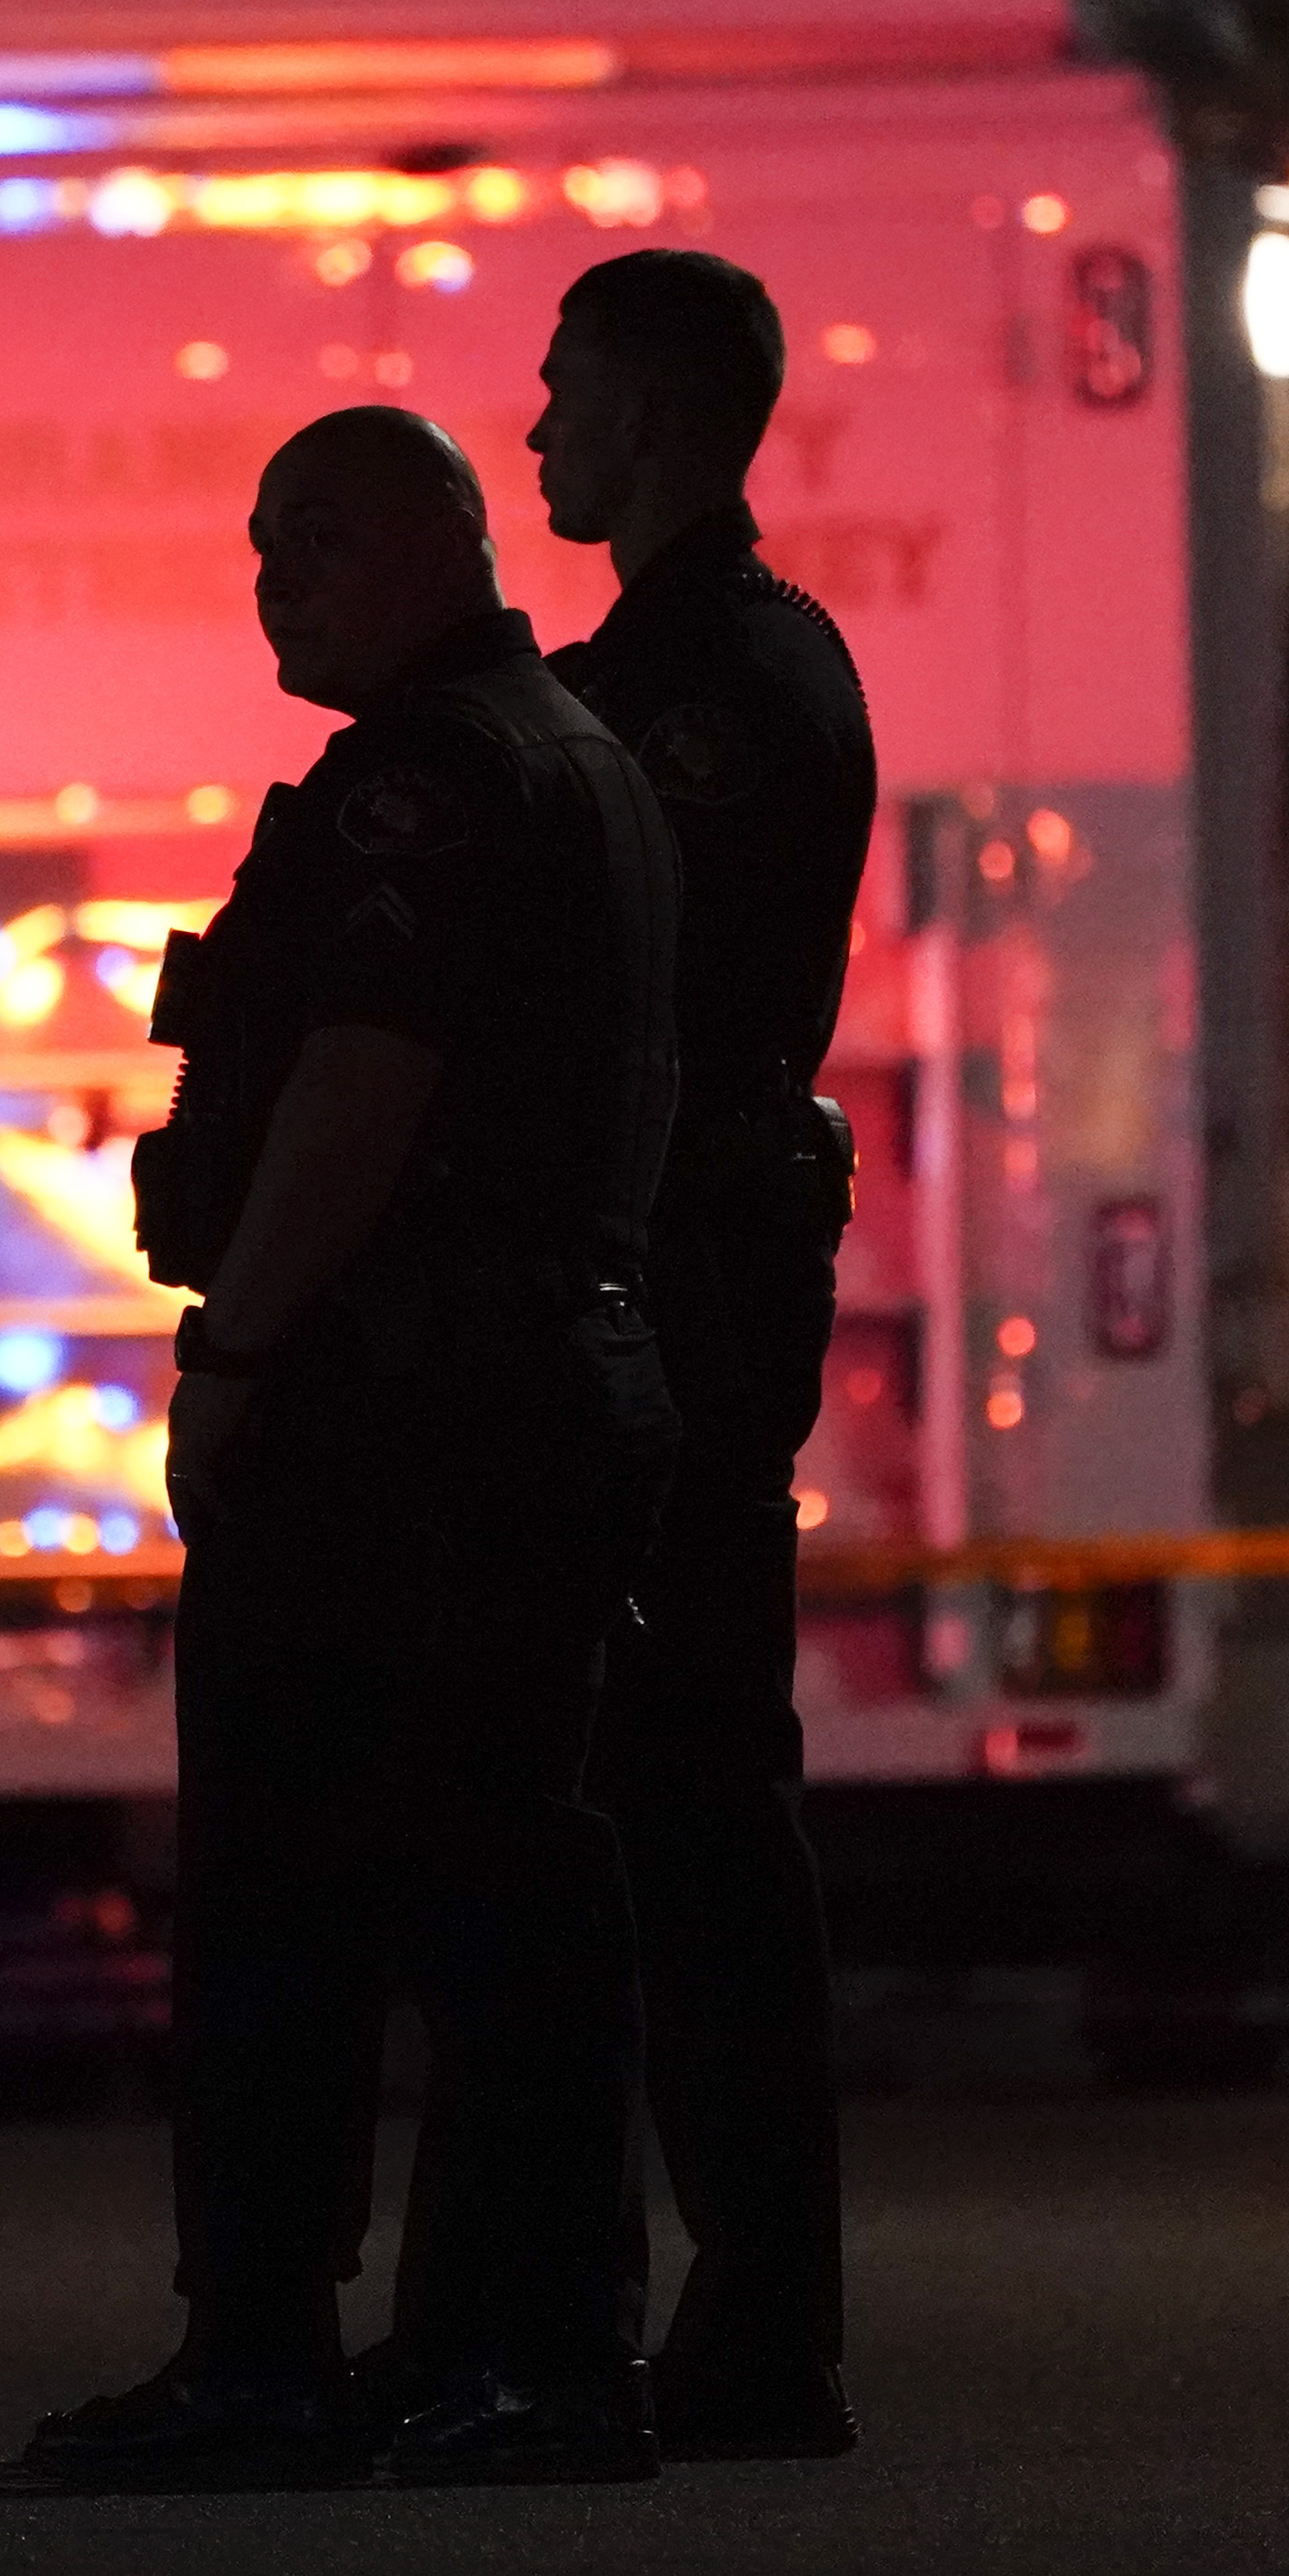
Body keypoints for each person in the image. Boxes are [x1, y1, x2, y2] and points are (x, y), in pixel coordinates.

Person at [29, 406, 683, 2487]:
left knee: (303, 1895)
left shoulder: (426, 784)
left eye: (308, 538)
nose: (269, 581)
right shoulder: (566, 751)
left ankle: (279, 2358)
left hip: (399, 1412)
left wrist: (231, 1348)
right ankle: (503, 2342)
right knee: (508, 1887)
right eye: (255, 541)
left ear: (427, 545)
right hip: (522, 1386)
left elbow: (359, 1083)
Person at [528, 248, 877, 2457]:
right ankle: (735, 2310)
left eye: (564, 392)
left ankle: (750, 2319)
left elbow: (611, 1004)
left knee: (679, 1811)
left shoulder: (696, 693)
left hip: (682, 1288)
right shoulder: (745, 658)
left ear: (650, 422)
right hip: (699, 1274)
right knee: (671, 1803)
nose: (539, 426)